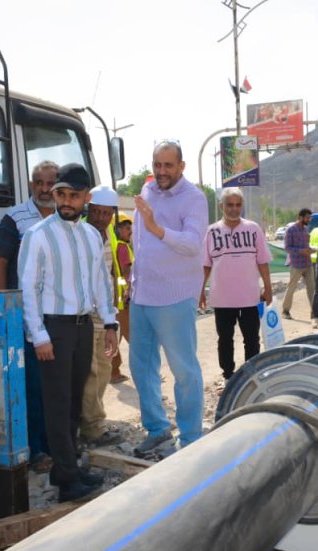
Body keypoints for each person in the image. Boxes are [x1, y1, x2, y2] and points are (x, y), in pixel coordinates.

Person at [18, 162, 118, 503]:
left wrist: (110, 322)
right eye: (60, 194)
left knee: (75, 401)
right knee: (57, 407)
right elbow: (27, 289)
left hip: (81, 327)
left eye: (73, 195)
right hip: (53, 329)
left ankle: (66, 470)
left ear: (85, 197)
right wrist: (39, 336)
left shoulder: (91, 235)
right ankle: (68, 481)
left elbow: (101, 283)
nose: (65, 201)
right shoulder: (38, 235)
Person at [130, 140, 208, 457]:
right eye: (157, 164)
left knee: (184, 370)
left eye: (168, 165)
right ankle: (157, 429)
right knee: (142, 368)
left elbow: (192, 244)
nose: (161, 171)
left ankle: (190, 436)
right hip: (142, 295)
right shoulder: (147, 192)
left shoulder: (194, 198)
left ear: (181, 166)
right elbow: (139, 240)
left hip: (174, 297)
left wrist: (156, 227)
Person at [0, 160, 57, 474]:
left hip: (60, 314)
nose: (44, 190)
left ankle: (61, 443)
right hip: (27, 316)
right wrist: (6, 308)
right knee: (33, 385)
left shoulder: (66, 215)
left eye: (50, 183)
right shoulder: (15, 218)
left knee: (59, 384)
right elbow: (0, 261)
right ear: (31, 184)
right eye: (38, 183)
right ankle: (38, 450)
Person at [200, 188, 273, 380]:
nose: (234, 209)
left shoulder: (253, 229)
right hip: (222, 298)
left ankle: (252, 375)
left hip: (250, 297)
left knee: (252, 340)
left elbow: (262, 261)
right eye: (229, 205)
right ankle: (229, 377)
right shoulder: (212, 231)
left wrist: (268, 287)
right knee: (225, 340)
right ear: (221, 206)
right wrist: (199, 291)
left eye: (238, 205)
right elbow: (205, 265)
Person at [80, 185, 124, 447]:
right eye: (96, 212)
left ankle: (92, 422)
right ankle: (92, 428)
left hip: (105, 314)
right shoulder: (82, 234)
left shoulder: (108, 234)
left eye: (106, 213)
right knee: (91, 373)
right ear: (89, 210)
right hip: (87, 315)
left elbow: (109, 271)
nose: (100, 217)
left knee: (104, 370)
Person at [110, 217, 134, 383]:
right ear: (117, 229)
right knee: (131, 335)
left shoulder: (116, 246)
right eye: (126, 228)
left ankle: (113, 370)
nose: (130, 231)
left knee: (116, 335)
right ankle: (114, 372)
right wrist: (127, 290)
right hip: (123, 300)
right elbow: (126, 271)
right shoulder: (123, 247)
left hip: (118, 298)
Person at [281, 208, 314, 320]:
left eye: (310, 218)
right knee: (292, 287)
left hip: (307, 263)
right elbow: (287, 247)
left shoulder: (305, 229)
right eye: (307, 218)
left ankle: (314, 312)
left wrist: (309, 250)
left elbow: (305, 245)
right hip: (296, 264)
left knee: (312, 288)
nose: (309, 220)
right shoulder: (291, 230)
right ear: (300, 217)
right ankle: (285, 311)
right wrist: (301, 251)